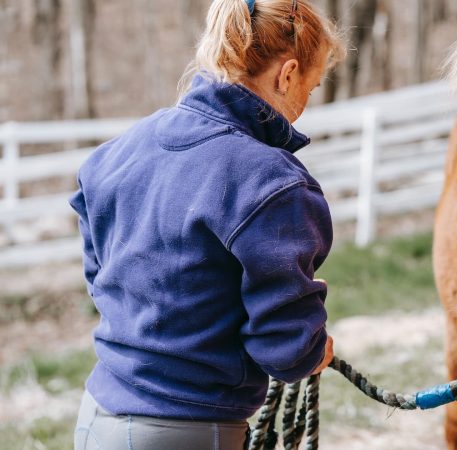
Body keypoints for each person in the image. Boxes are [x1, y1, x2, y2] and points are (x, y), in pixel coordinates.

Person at [71, 0, 345, 448]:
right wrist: (312, 349)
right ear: (287, 73)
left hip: (96, 417)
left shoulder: (118, 153)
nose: (303, 106)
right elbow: (286, 348)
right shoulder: (273, 183)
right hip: (189, 429)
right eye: (309, 89)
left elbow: (102, 274)